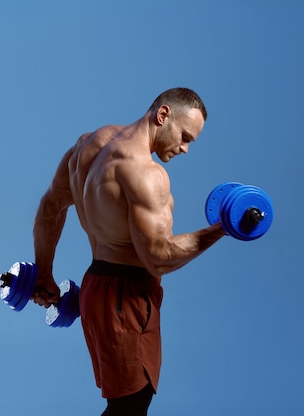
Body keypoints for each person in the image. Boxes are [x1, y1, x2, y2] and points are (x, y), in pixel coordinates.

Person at [31, 87, 227, 415]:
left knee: (128, 403)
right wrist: (222, 228)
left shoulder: (88, 145)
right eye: (185, 136)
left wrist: (44, 272)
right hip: (126, 297)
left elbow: (50, 209)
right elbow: (158, 256)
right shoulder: (145, 174)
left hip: (96, 287)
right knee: (131, 405)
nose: (185, 148)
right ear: (162, 115)